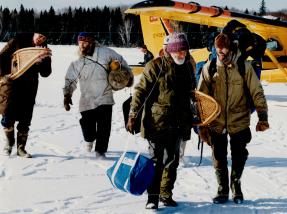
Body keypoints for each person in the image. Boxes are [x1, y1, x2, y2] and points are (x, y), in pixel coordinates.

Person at [197, 33, 269, 204]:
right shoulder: (210, 67)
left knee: (239, 155)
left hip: (239, 120)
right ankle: (222, 188)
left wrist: (262, 116)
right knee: (218, 155)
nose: (220, 54)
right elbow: (201, 97)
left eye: (223, 50)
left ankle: (236, 185)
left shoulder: (244, 67)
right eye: (217, 51)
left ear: (230, 48)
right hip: (217, 121)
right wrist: (202, 125)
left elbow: (257, 91)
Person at [127, 32, 196, 210]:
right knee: (157, 161)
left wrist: (196, 113)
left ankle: (166, 193)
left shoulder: (188, 66)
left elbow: (192, 93)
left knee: (172, 160)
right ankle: (153, 197)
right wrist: (133, 114)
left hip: (179, 122)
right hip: (157, 122)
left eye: (185, 51)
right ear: (171, 50)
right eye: (179, 51)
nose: (183, 54)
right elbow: (141, 91)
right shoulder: (155, 66)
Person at [63, 32, 132, 159]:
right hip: (86, 99)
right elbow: (70, 79)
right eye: (80, 43)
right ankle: (89, 140)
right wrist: (67, 95)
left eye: (85, 43)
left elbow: (122, 62)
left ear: (92, 43)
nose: (82, 46)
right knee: (88, 129)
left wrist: (128, 77)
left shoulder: (106, 53)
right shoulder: (78, 62)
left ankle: (100, 151)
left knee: (104, 128)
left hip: (105, 96)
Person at [0, 32, 52, 158]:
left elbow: (46, 73)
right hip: (11, 85)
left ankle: (21, 148)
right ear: (34, 34)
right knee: (7, 117)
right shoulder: (18, 39)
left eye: (44, 37)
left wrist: (42, 62)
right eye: (40, 35)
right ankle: (9, 142)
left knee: (25, 119)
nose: (41, 39)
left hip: (29, 87)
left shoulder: (44, 49)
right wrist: (4, 75)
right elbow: (2, 57)